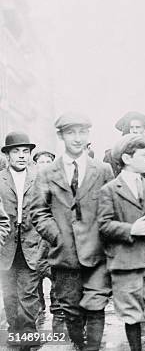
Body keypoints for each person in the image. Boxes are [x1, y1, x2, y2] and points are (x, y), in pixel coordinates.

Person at [31, 113, 114, 350]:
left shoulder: (103, 169)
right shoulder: (48, 173)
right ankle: (79, 344)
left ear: (89, 135)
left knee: (96, 308)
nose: (77, 139)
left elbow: (112, 207)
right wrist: (57, 237)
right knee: (72, 312)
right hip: (65, 257)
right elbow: (38, 212)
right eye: (71, 133)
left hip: (97, 254)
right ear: (61, 136)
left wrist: (105, 236)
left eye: (82, 132)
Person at [98, 133, 145, 351]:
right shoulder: (109, 191)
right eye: (144, 155)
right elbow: (103, 225)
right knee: (131, 313)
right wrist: (131, 229)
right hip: (126, 261)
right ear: (127, 158)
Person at [0, 132, 42, 348]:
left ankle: (27, 337)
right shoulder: (0, 179)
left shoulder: (40, 178)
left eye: (25, 151)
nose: (21, 156)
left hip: (32, 245)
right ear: (7, 155)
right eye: (16, 151)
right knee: (9, 296)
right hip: (5, 247)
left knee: (28, 294)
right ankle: (14, 331)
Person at [103, 111, 145, 191]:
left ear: (144, 129)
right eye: (131, 127)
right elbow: (106, 183)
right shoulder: (111, 155)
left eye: (138, 127)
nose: (134, 131)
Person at [32, 150, 57, 319]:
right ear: (35, 165)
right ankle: (39, 304)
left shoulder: (58, 184)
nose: (44, 165)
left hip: (51, 237)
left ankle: (57, 306)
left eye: (48, 161)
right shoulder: (30, 183)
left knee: (55, 272)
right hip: (32, 238)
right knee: (35, 272)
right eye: (41, 162)